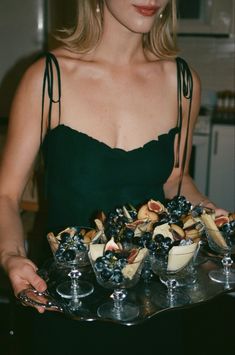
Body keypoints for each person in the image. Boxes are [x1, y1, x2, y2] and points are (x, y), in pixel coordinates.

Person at [0, 1, 228, 354]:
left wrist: (212, 215)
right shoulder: (48, 79)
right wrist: (12, 256)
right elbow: (7, 196)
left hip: (155, 302)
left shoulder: (183, 82)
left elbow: (176, 180)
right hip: (70, 300)